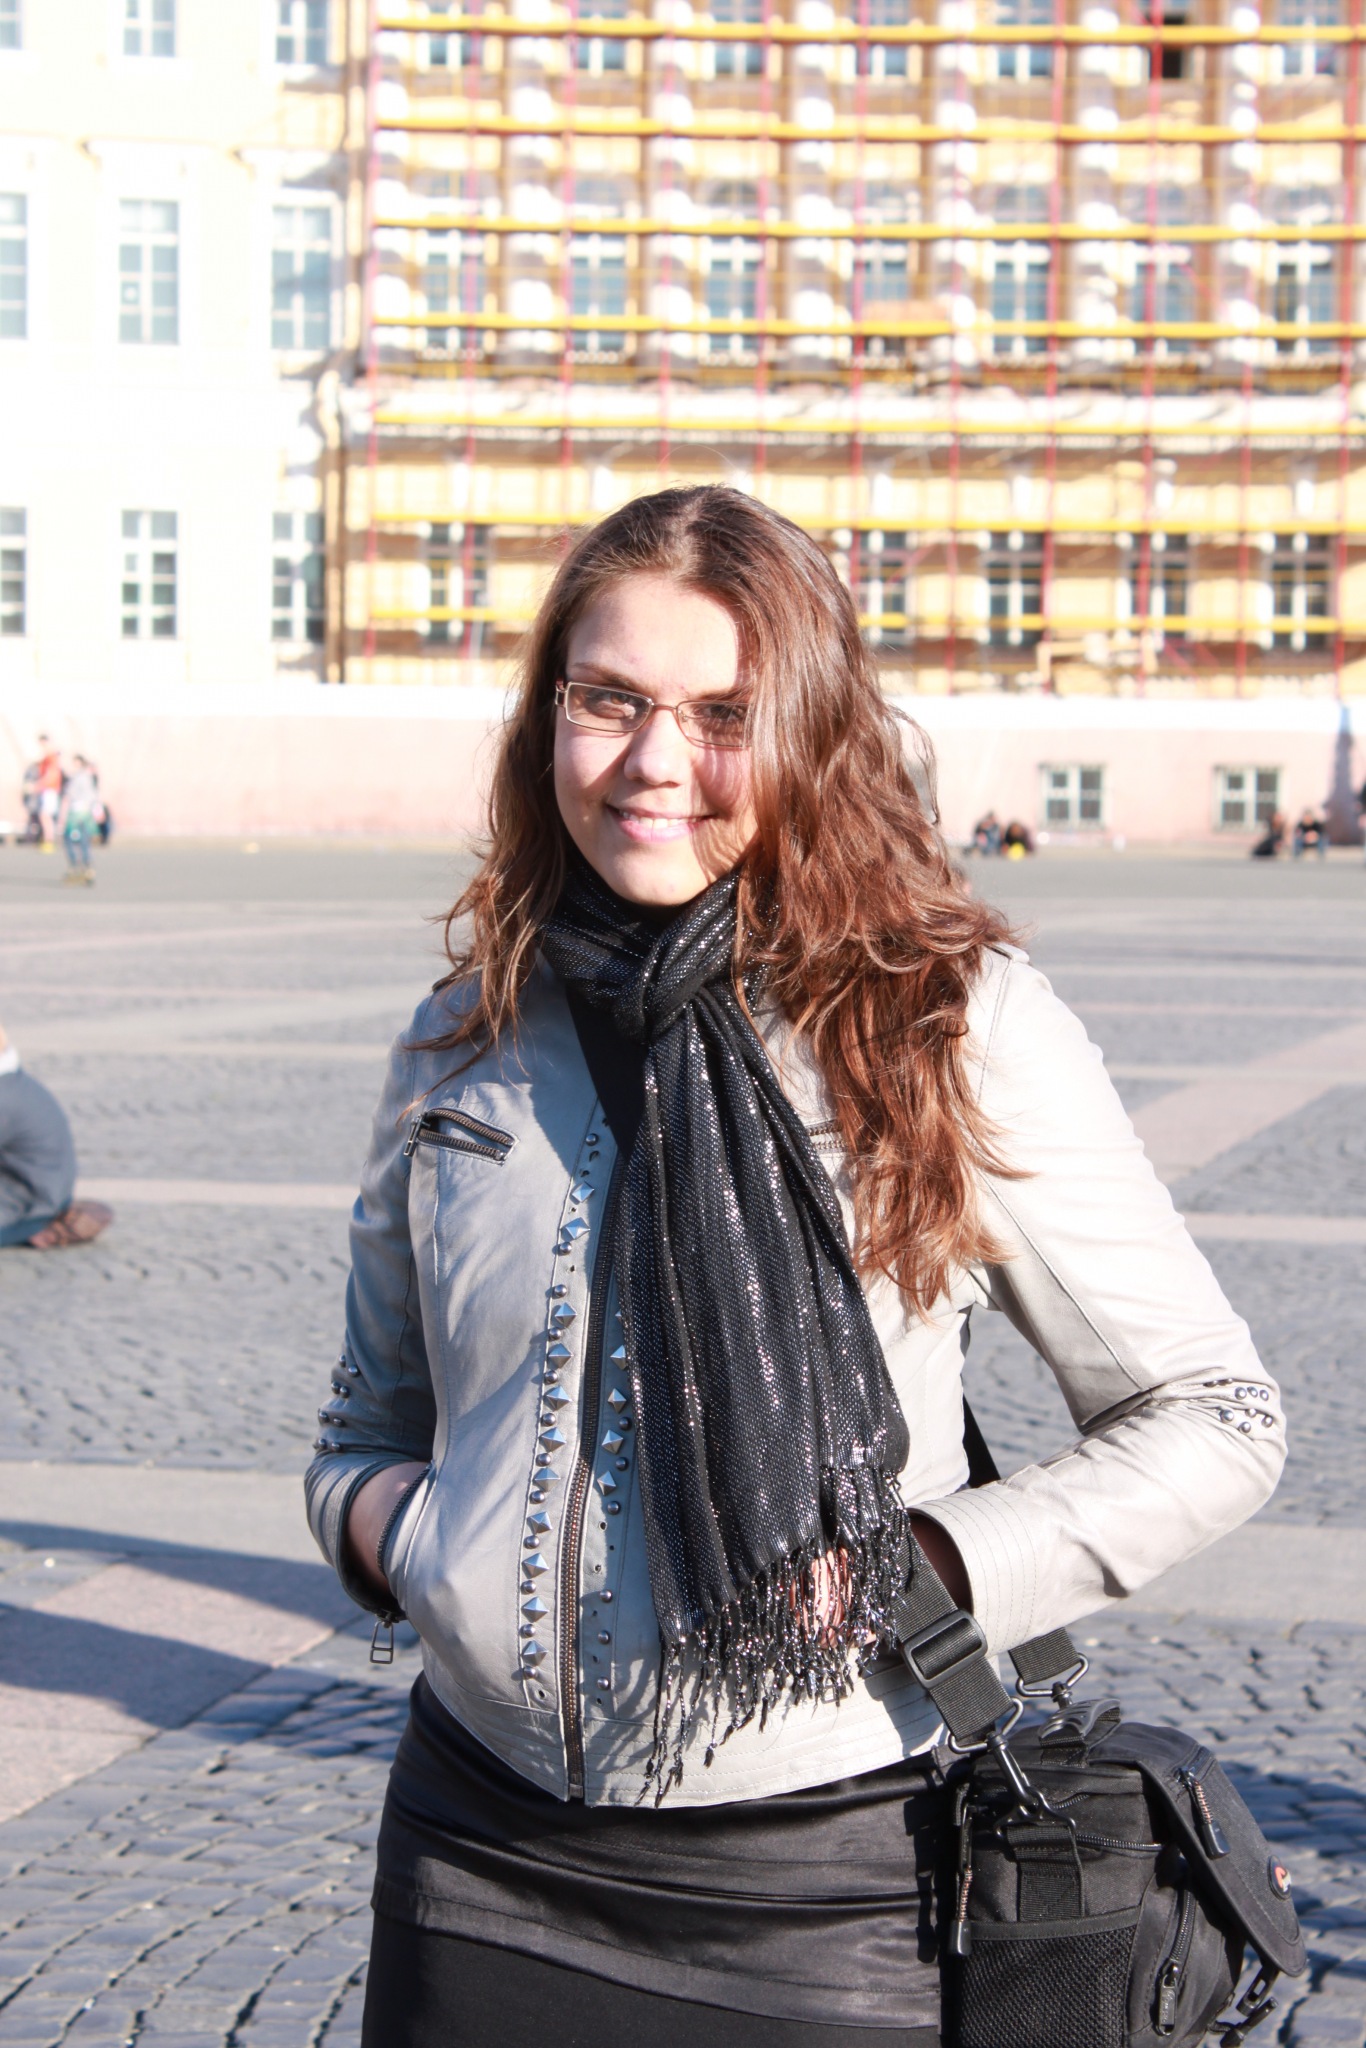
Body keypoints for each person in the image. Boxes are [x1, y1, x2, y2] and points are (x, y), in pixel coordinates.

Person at [305, 487, 1285, 2048]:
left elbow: (1213, 1415)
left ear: (813, 734)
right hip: (474, 1850)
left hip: (826, 1887)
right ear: (548, 715)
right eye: (609, 700)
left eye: (722, 717)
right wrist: (406, 1542)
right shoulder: (465, 1033)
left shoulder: (944, 1021)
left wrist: (930, 1563)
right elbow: (368, 1422)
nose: (655, 762)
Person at [0, 1027, 113, 1248]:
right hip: (35, 1194)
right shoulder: (13, 1083)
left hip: (25, 1208)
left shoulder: (6, 1097)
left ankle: (43, 1231)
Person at [59, 755, 101, 886]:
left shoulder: (78, 777)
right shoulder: (88, 777)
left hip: (77, 813)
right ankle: (87, 866)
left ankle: (75, 866)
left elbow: (69, 796)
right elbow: (94, 796)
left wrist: (62, 817)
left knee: (69, 839)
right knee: (84, 840)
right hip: (86, 812)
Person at [33, 737, 63, 854]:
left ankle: (49, 841)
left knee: (46, 815)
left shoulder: (51, 757)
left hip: (50, 789)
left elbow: (50, 774)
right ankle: (48, 840)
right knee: (45, 815)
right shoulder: (48, 757)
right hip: (48, 789)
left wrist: (39, 784)